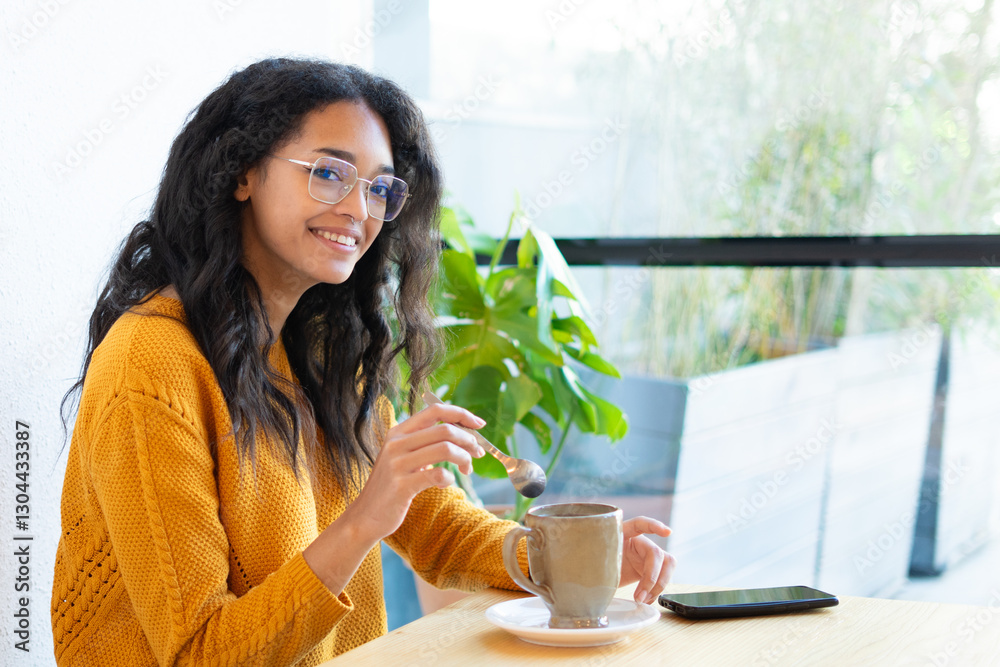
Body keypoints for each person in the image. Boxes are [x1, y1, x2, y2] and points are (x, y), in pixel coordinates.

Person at [50, 57, 676, 666]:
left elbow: (436, 526)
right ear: (242, 173)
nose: (359, 209)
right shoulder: (149, 365)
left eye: (380, 187)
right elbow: (201, 655)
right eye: (329, 173)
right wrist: (364, 519)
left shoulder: (320, 347)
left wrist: (571, 562)